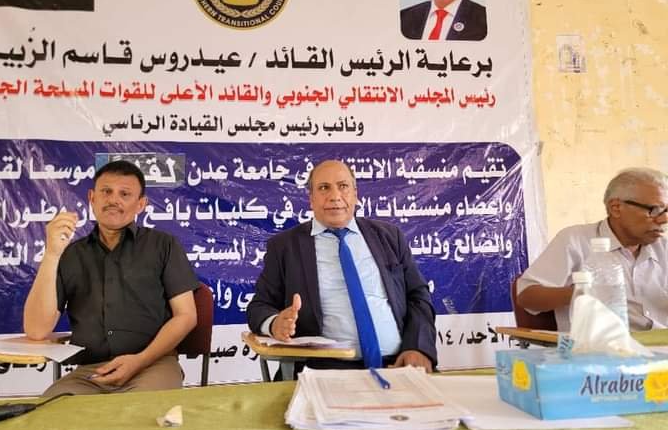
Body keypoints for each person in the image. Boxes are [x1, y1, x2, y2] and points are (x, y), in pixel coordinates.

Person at [24, 160, 200, 396]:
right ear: (92, 197)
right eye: (106, 191)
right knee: (50, 411)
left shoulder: (164, 246)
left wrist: (140, 360)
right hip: (91, 373)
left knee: (135, 412)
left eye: (124, 194)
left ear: (141, 204)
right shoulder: (71, 254)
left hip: (152, 364)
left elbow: (186, 316)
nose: (113, 200)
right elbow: (36, 330)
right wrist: (52, 254)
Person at [247, 159, 437, 372]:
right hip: (325, 370)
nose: (335, 196)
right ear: (311, 199)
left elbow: (418, 296)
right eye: (324, 188)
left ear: (355, 194)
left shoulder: (389, 237)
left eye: (343, 186)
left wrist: (417, 347)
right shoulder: (284, 247)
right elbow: (258, 306)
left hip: (398, 364)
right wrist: (274, 324)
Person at [517, 167, 668, 331]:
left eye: (666, 211)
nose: (664, 219)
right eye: (654, 210)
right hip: (601, 343)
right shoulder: (575, 240)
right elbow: (527, 296)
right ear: (616, 207)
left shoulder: (663, 247)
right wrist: (582, 292)